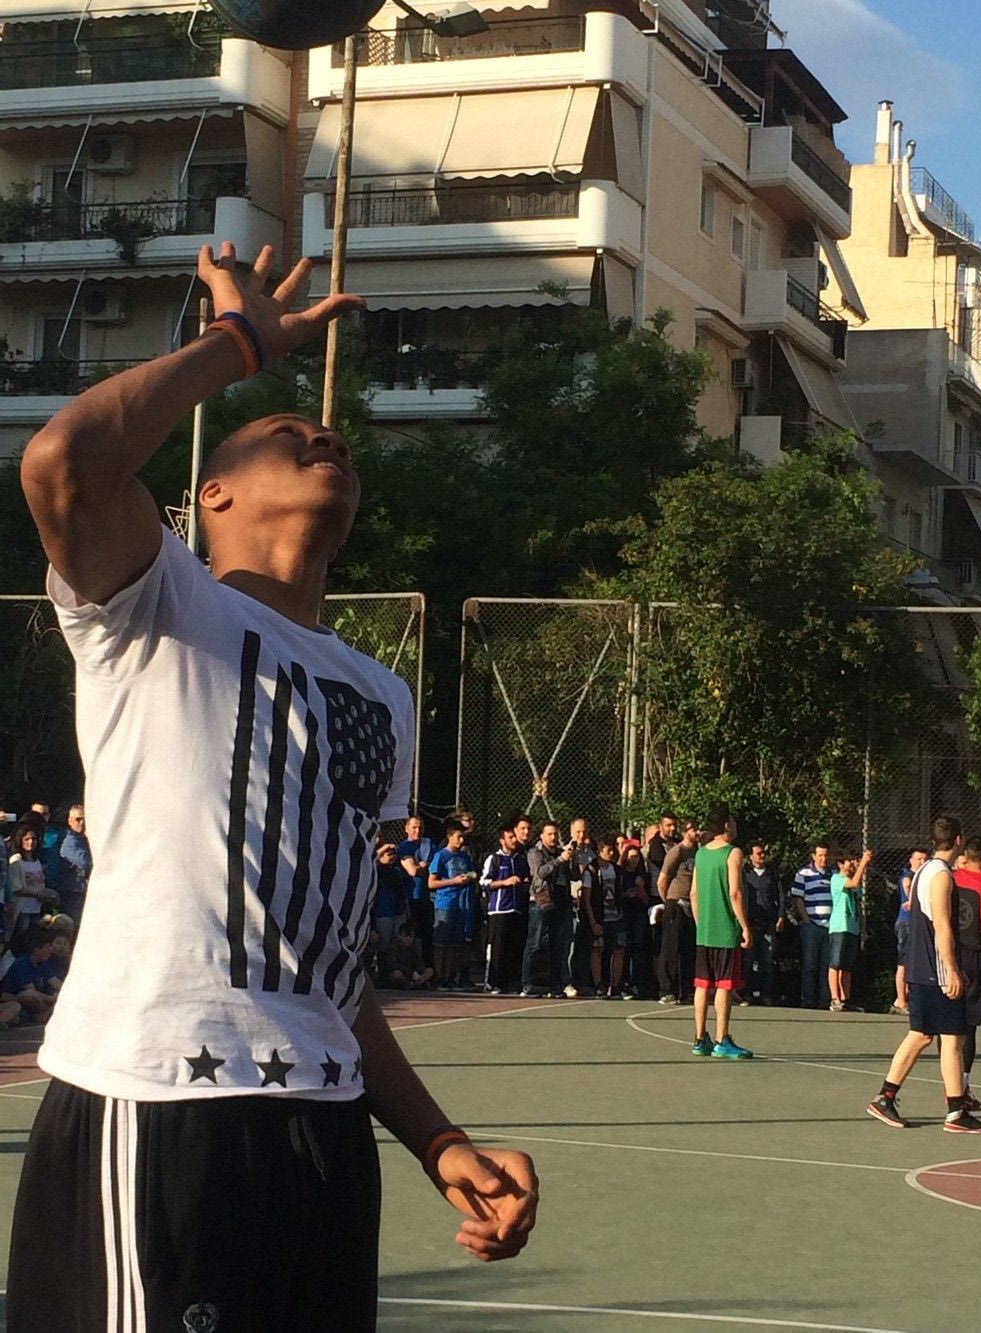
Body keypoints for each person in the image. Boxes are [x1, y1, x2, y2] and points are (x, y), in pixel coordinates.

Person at [10, 241, 537, 1331]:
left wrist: (438, 1139)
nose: (323, 436)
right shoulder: (155, 605)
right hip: (162, 1103)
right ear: (211, 493)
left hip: (325, 1124)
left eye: (332, 435)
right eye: (287, 434)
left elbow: (329, 965)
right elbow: (64, 464)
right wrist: (238, 344)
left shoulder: (383, 693)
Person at [867, 816, 981, 1134]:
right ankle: (955, 1111)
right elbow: (942, 926)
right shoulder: (941, 876)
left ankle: (887, 1098)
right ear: (959, 840)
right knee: (952, 1037)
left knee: (926, 1035)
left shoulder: (924, 870)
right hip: (935, 970)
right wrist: (951, 969)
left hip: (921, 967)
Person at [690, 806, 753, 1059]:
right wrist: (745, 926)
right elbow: (735, 892)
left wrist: (701, 924)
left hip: (705, 932)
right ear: (726, 824)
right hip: (725, 930)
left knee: (702, 984)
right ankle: (722, 1039)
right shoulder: (733, 853)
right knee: (724, 986)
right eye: (733, 821)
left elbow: (693, 893)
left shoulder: (701, 854)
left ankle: (699, 1038)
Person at [951, 834, 981, 1110]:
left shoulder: (950, 879)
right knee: (968, 1026)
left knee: (948, 1024)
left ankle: (952, 1085)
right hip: (975, 958)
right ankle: (962, 1086)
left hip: (947, 953)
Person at [521, 822, 574, 998]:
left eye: (555, 834)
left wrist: (572, 859)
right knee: (535, 942)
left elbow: (574, 876)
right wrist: (560, 860)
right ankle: (527, 983)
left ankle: (556, 985)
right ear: (542, 836)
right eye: (549, 834)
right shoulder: (535, 852)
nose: (553, 838)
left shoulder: (561, 852)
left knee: (558, 945)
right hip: (541, 901)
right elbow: (540, 873)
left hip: (560, 901)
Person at [427, 818, 478, 990]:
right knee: (441, 943)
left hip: (462, 904)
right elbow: (432, 883)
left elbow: (471, 873)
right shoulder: (441, 856)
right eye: (458, 837)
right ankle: (439, 977)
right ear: (449, 836)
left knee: (454, 944)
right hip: (445, 902)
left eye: (463, 837)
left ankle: (449, 977)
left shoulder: (464, 856)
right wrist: (453, 881)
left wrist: (471, 877)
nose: (461, 840)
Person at [480, 824, 529, 995]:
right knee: (498, 948)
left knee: (514, 948)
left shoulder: (520, 859)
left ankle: (511, 982)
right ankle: (493, 982)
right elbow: (484, 882)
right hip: (499, 910)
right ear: (502, 840)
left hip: (517, 910)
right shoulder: (494, 859)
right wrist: (505, 882)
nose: (514, 840)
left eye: (514, 837)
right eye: (510, 837)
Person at [656, 819, 698, 1005]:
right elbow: (662, 880)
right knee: (671, 947)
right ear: (685, 832)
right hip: (676, 902)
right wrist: (669, 901)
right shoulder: (677, 851)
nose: (697, 832)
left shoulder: (697, 852)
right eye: (693, 829)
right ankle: (667, 989)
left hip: (691, 904)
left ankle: (686, 990)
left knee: (688, 948)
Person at [790, 842, 833, 1009]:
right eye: (820, 855)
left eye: (826, 855)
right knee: (810, 965)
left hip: (830, 926)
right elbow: (798, 898)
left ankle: (824, 1001)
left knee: (826, 966)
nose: (823, 858)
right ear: (814, 856)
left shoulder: (833, 874)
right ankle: (807, 1001)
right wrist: (806, 920)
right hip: (812, 925)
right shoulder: (803, 873)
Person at [827, 849, 872, 1012]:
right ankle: (834, 998)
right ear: (841, 864)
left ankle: (846, 999)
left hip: (852, 927)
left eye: (855, 861)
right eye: (850, 861)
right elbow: (852, 883)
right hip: (840, 926)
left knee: (847, 966)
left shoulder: (855, 884)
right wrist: (863, 863)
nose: (853, 864)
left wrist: (863, 928)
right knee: (835, 963)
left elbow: (858, 906)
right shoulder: (837, 879)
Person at [582, 837, 626, 999]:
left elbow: (620, 890)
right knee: (597, 949)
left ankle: (615, 986)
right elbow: (587, 899)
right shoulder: (591, 870)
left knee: (619, 949)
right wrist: (593, 922)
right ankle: (599, 984)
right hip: (600, 917)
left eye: (613, 850)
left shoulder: (617, 869)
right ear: (599, 852)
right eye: (608, 851)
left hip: (616, 916)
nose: (612, 853)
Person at [741, 842, 784, 1005]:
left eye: (763, 853)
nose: (762, 856)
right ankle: (747, 993)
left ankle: (766, 995)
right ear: (751, 856)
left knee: (768, 960)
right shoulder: (744, 873)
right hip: (750, 923)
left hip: (768, 923)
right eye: (758, 853)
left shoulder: (772, 874)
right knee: (748, 960)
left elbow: (780, 895)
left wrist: (781, 915)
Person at [6, 824, 56, 946]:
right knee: (18, 941)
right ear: (20, 840)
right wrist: (36, 893)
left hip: (36, 909)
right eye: (27, 839)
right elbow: (16, 887)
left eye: (33, 839)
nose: (31, 842)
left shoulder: (36, 861)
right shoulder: (16, 860)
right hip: (21, 910)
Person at [890, 848, 926, 1016]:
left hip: (917, 923)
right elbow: (906, 884)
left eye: (924, 859)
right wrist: (912, 897)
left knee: (913, 962)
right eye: (918, 859)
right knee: (903, 963)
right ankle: (901, 1000)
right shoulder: (908, 875)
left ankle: (906, 998)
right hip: (906, 923)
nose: (922, 862)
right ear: (911, 860)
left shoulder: (922, 877)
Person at [1, 925, 58, 1024]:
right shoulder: (21, 964)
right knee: (29, 996)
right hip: (12, 998)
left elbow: (56, 983)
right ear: (37, 949)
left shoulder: (43, 964)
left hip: (34, 1001)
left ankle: (45, 1015)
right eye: (48, 947)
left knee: (58, 992)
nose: (51, 950)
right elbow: (32, 991)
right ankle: (44, 1015)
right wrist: (53, 999)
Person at [565, 816, 596, 996]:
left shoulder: (591, 854)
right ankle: (569, 981)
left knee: (585, 945)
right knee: (570, 945)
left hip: (587, 904)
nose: (581, 835)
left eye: (584, 831)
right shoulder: (567, 852)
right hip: (572, 903)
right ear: (571, 832)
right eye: (578, 832)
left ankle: (582, 980)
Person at [398, 814, 434, 963]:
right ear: (406, 829)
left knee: (427, 935)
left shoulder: (429, 844)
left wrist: (422, 866)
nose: (417, 831)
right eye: (414, 827)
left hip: (428, 897)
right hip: (411, 897)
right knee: (413, 934)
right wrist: (422, 866)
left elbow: (434, 867)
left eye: (420, 828)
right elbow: (412, 871)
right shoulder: (404, 847)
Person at [619, 844, 649, 998]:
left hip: (638, 913)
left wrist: (640, 887)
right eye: (631, 857)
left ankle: (636, 982)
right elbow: (616, 894)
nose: (634, 860)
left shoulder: (642, 875)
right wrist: (626, 894)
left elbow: (645, 899)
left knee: (638, 949)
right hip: (625, 913)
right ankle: (623, 983)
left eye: (636, 857)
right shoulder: (621, 874)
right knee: (625, 948)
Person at [372, 842, 409, 958]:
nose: (392, 857)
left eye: (394, 854)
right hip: (383, 913)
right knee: (383, 945)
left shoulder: (397, 871)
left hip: (399, 912)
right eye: (389, 854)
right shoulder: (376, 872)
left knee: (398, 943)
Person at [57, 804, 92, 925]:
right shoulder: (69, 842)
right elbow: (85, 863)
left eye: (84, 819)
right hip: (72, 893)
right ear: (70, 821)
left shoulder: (84, 840)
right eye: (78, 819)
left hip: (83, 892)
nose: (82, 823)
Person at [379, 922, 434, 991]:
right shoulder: (393, 947)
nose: (408, 939)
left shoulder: (415, 947)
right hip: (400, 974)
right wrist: (410, 973)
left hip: (412, 975)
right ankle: (414, 984)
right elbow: (392, 965)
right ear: (400, 936)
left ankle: (416, 983)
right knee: (396, 974)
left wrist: (416, 972)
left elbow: (421, 964)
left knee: (430, 970)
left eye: (411, 936)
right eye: (406, 936)